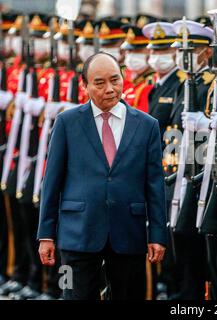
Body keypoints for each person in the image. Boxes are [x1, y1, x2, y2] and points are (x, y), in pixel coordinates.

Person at [37, 52, 167, 300]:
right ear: (84, 86)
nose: (110, 89)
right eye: (100, 83)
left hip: (129, 232)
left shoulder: (147, 125)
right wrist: (46, 235)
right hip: (77, 235)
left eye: (115, 80)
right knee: (73, 294)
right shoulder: (67, 122)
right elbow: (51, 182)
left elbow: (154, 184)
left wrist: (158, 235)